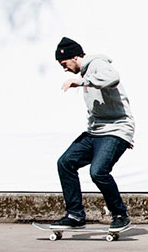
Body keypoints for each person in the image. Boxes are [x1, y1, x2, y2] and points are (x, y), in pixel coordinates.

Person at [50, 37, 135, 231]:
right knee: (66, 163)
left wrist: (81, 82)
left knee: (98, 172)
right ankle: (75, 214)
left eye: (64, 64)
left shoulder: (97, 64)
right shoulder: (86, 73)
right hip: (96, 132)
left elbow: (113, 78)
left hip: (117, 129)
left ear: (75, 57)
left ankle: (120, 214)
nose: (64, 69)